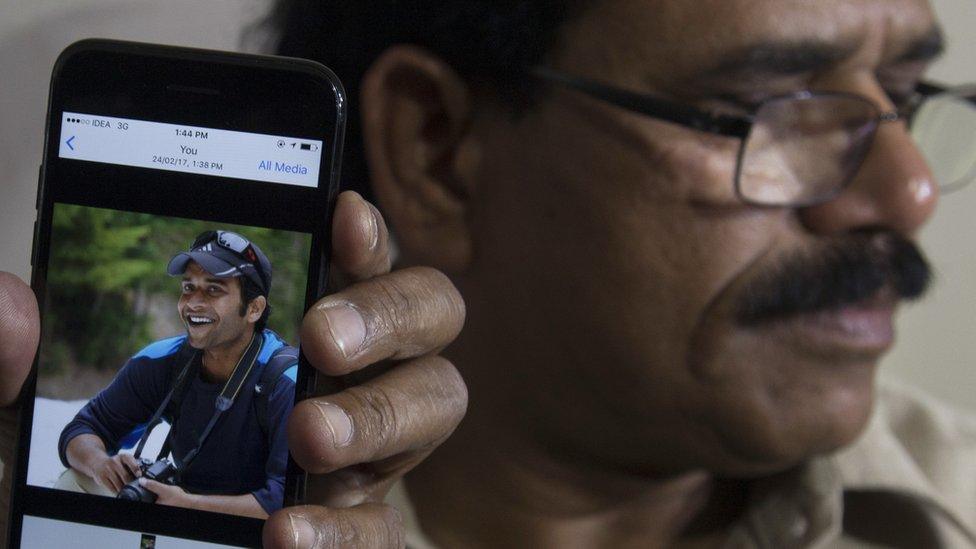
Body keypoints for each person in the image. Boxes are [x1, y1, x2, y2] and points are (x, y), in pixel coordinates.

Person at [2, 0, 976, 547]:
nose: (909, 191)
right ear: (437, 146)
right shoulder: (174, 370)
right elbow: (87, 430)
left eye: (898, 96)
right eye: (774, 108)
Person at [55, 230, 297, 519]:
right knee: (74, 481)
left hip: (247, 527)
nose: (192, 303)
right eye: (187, 288)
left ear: (254, 309)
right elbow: (80, 430)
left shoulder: (286, 380)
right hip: (178, 505)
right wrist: (101, 465)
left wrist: (189, 506)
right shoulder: (163, 360)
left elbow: (287, 500)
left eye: (213, 290)